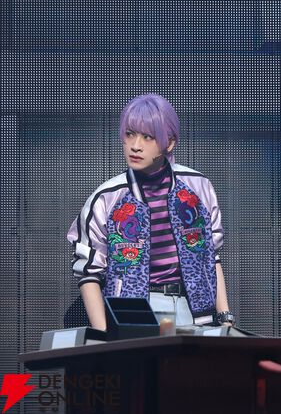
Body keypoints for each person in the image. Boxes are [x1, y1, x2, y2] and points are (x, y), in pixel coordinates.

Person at [68, 93, 234, 331]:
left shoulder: (198, 187)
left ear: (170, 142)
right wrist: (104, 334)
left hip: (195, 310)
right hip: (136, 312)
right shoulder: (107, 197)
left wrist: (225, 318)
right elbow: (88, 272)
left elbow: (211, 255)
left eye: (148, 137)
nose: (135, 146)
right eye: (130, 134)